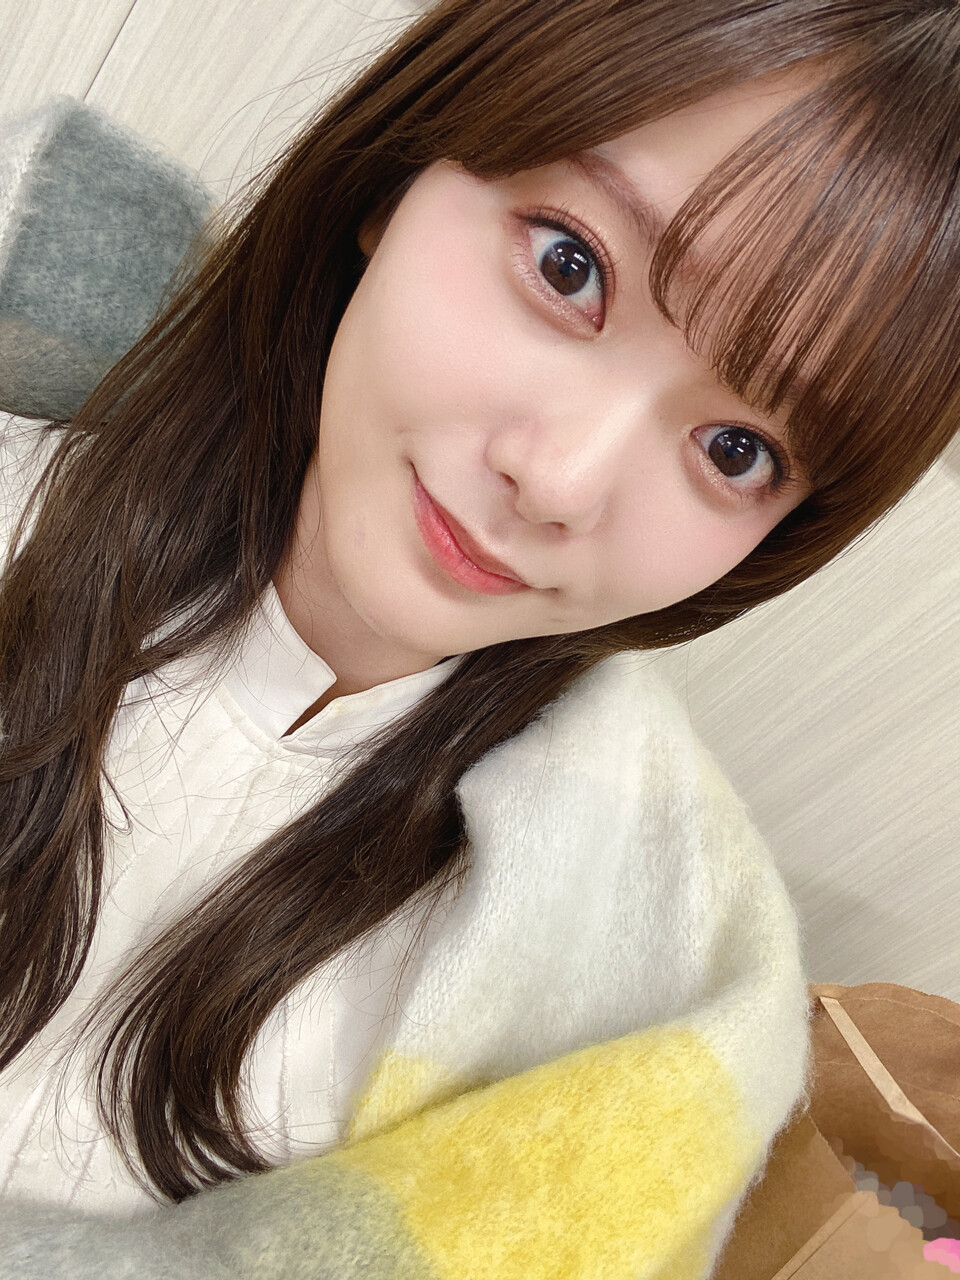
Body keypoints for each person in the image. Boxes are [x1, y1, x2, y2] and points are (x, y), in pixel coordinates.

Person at [0, 0, 958, 1275]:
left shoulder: (630, 988)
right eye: (569, 266)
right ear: (395, 181)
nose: (559, 479)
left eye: (737, 449)